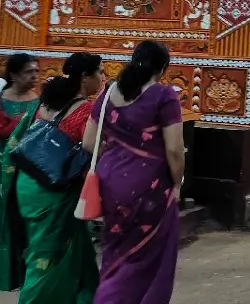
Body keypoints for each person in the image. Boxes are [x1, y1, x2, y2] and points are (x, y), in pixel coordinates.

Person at [83, 40, 184, 304]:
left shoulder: (109, 93)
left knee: (115, 249)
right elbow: (175, 149)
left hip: (110, 181)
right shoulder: (164, 96)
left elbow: (88, 142)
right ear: (162, 69)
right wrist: (177, 182)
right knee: (146, 255)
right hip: (148, 184)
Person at [0, 53, 104, 303]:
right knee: (47, 259)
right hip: (54, 190)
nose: (103, 77)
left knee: (75, 251)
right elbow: (94, 147)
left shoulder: (44, 101)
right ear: (85, 77)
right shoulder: (85, 110)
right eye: (100, 72)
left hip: (28, 183)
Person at [0, 54, 40, 146]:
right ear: (13, 74)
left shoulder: (39, 103)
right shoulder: (1, 99)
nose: (35, 76)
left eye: (37, 71)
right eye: (29, 71)